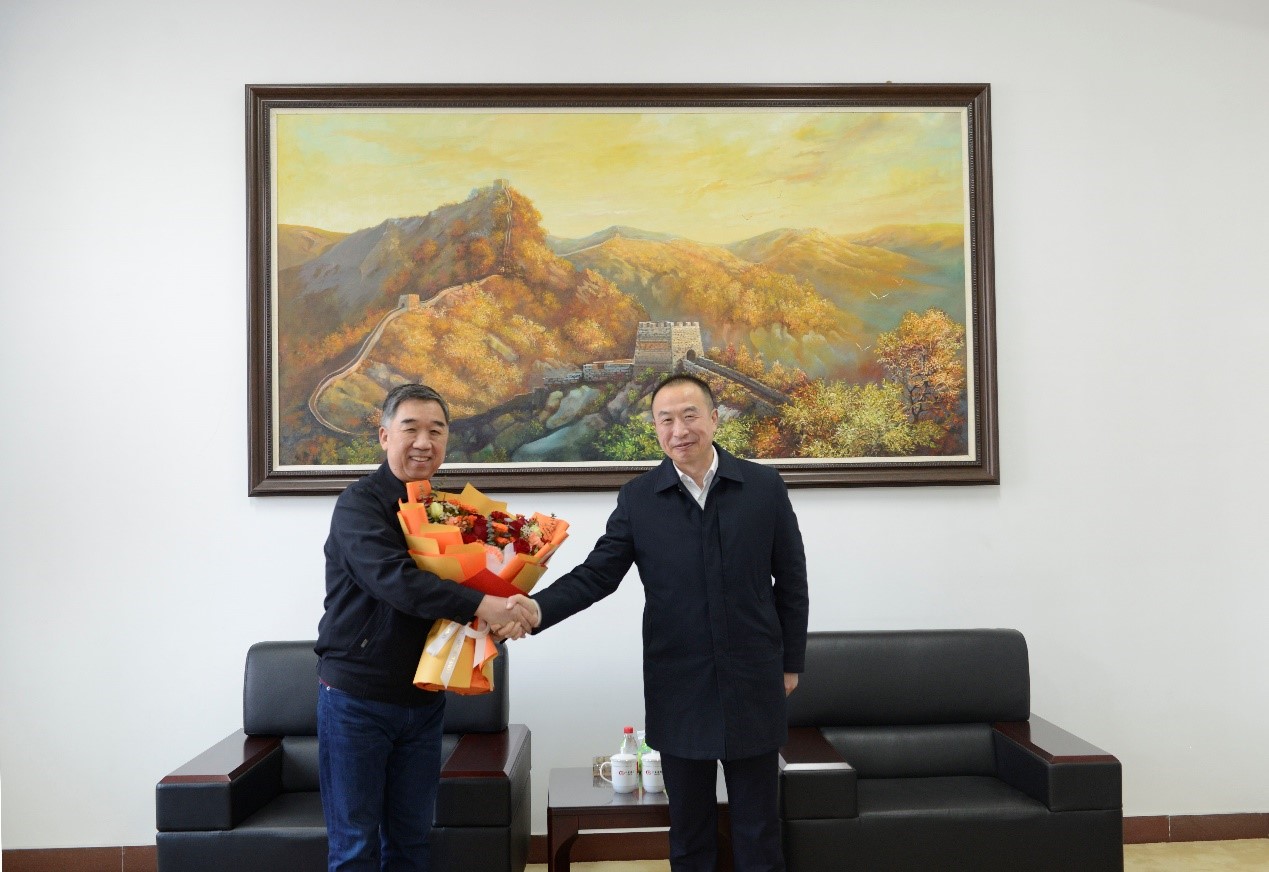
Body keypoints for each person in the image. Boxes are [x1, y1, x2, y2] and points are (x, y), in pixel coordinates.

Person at [517, 373, 810, 872]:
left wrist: (790, 663)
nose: (679, 430)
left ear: (714, 419)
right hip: (679, 683)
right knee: (689, 833)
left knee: (758, 830)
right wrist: (536, 609)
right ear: (654, 427)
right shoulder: (639, 499)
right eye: (665, 419)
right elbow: (597, 575)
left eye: (690, 415)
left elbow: (793, 581)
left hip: (753, 678)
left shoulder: (763, 486)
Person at [316, 383, 534, 872]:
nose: (423, 442)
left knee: (412, 844)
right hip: (357, 699)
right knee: (354, 848)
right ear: (384, 435)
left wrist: (497, 611)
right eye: (410, 428)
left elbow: (469, 581)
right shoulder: (358, 505)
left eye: (436, 431)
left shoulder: (446, 511)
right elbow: (396, 582)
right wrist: (484, 604)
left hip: (423, 699)